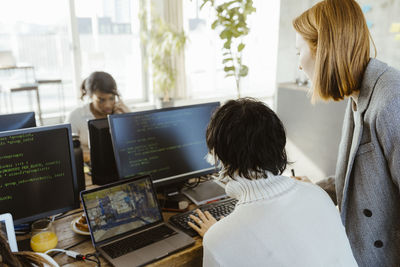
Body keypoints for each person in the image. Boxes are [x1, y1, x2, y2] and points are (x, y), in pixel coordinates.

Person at [292, 0, 400, 265]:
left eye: (298, 53)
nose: (298, 66)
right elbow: (365, 177)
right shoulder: (358, 94)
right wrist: (316, 190)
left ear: (322, 50)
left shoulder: (390, 99)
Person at [188, 98, 357, 267]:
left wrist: (219, 238)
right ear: (279, 144)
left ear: (218, 155)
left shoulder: (218, 241)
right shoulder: (318, 194)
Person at [65, 71, 130, 152]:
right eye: (101, 100)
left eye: (111, 98)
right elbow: (67, 150)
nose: (108, 105)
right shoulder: (76, 116)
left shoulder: (120, 113)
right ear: (90, 96)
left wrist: (129, 118)